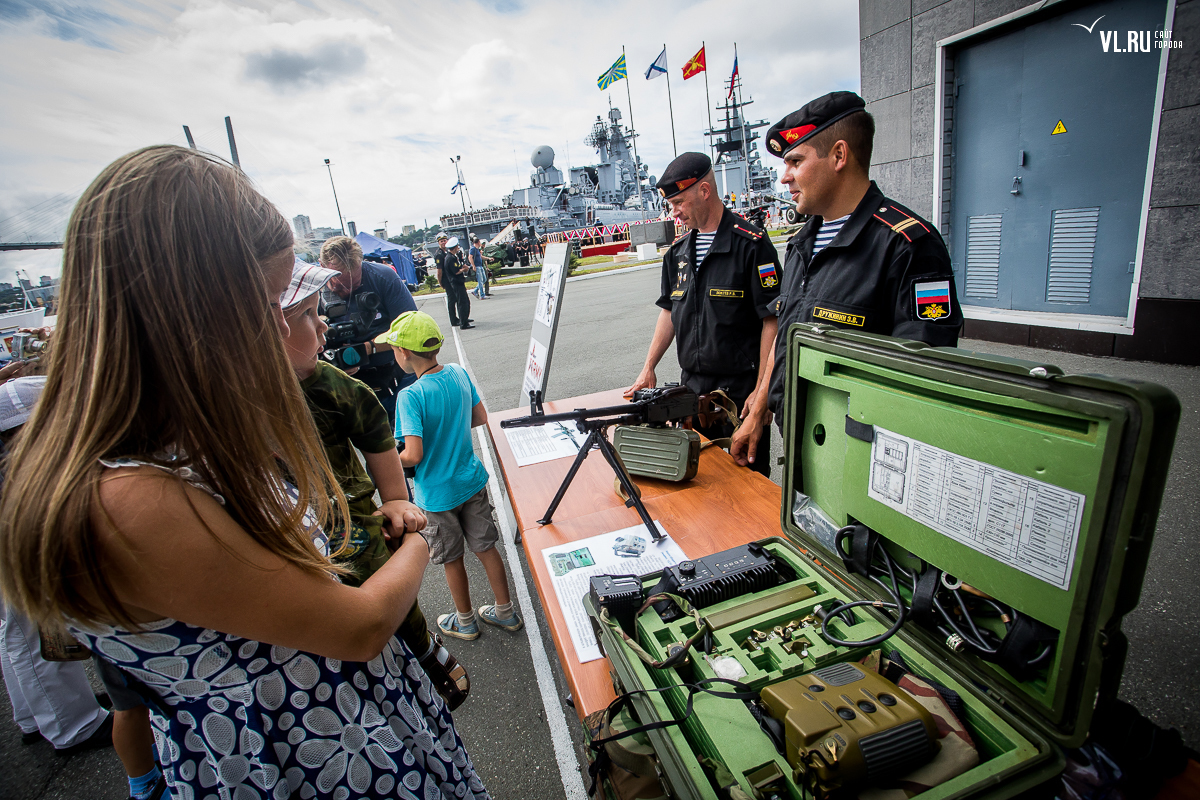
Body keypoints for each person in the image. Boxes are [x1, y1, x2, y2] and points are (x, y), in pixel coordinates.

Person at [0, 145, 490, 800]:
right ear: (191, 317)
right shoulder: (129, 499)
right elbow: (358, 625)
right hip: (307, 762)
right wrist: (420, 533)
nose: (306, 326)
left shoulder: (185, 443)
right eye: (271, 301)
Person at [280, 259, 471, 710]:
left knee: (386, 590)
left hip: (352, 525)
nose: (324, 322)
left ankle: (423, 649)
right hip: (301, 544)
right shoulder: (240, 399)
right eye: (307, 315)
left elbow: (374, 432)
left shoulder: (331, 384)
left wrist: (396, 501)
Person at [762, 91, 962, 420]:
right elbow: (785, 333)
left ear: (839, 155)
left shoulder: (908, 246)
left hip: (858, 448)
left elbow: (923, 372)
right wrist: (757, 412)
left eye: (795, 161)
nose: (785, 176)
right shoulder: (800, 246)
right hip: (799, 438)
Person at [628, 152, 781, 476]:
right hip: (692, 393)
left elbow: (772, 319)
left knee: (747, 490)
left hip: (740, 396)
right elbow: (669, 311)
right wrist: (648, 367)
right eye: (671, 205)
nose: (675, 212)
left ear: (705, 191)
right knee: (699, 482)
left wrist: (761, 391)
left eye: (679, 202)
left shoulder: (751, 246)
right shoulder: (677, 254)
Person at [382, 311, 522, 641]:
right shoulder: (458, 373)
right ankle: (505, 612)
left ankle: (466, 620)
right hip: (470, 481)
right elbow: (479, 417)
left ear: (404, 353)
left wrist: (390, 457)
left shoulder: (410, 396)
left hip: (437, 494)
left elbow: (413, 454)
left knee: (452, 559)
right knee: (487, 549)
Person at [319, 236, 418, 425]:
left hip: (394, 374)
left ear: (361, 264)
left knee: (409, 439)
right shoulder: (313, 289)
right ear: (321, 266)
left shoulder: (383, 277)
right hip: (346, 383)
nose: (346, 291)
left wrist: (369, 347)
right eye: (337, 286)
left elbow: (411, 328)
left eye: (354, 284)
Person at [441, 238, 474, 329]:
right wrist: (464, 269)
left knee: (465, 302)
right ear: (454, 247)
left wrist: (462, 267)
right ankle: (463, 323)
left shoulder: (452, 257)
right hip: (456, 283)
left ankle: (464, 319)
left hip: (458, 282)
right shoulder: (450, 258)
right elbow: (455, 272)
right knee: (462, 303)